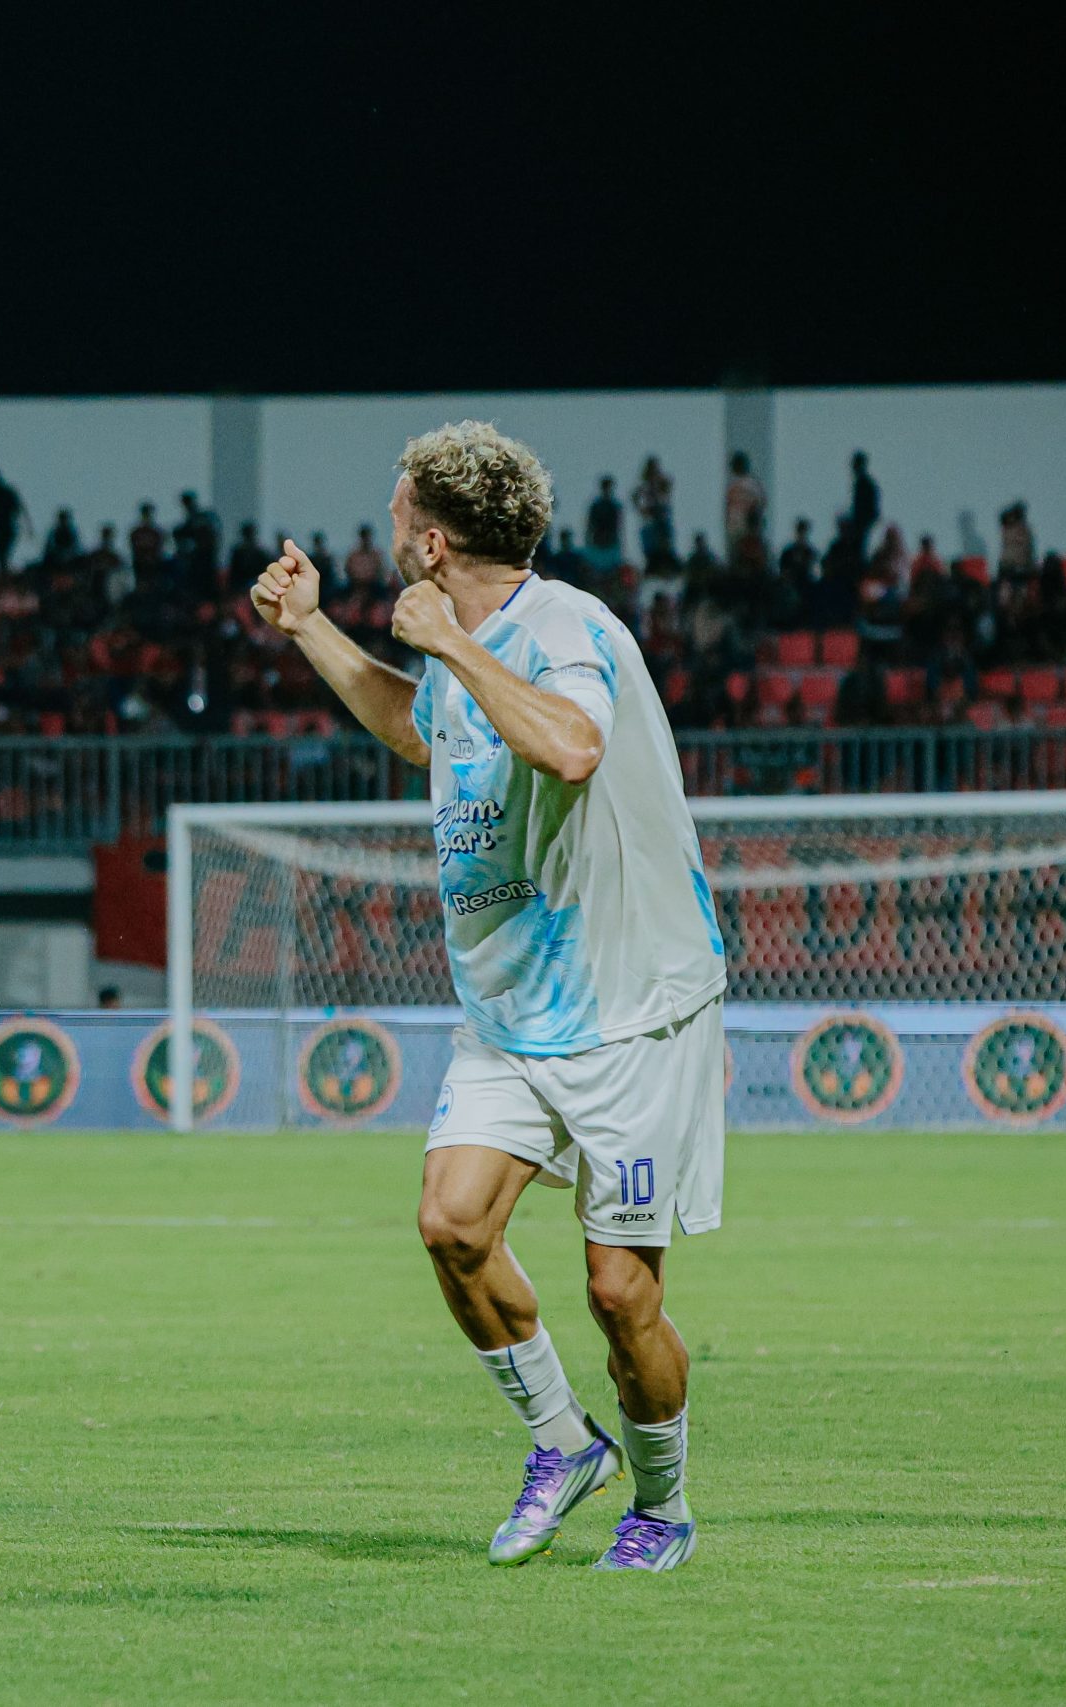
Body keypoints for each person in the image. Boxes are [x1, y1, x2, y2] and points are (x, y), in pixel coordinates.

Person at [249, 421, 725, 1572]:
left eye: (396, 510)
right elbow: (420, 728)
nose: (386, 526)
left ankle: (659, 1507)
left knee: (620, 1296)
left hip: (630, 1019)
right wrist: (312, 627)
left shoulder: (564, 630)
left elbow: (568, 747)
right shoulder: (472, 651)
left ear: (429, 539)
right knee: (452, 1225)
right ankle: (563, 1444)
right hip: (513, 1015)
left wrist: (453, 650)